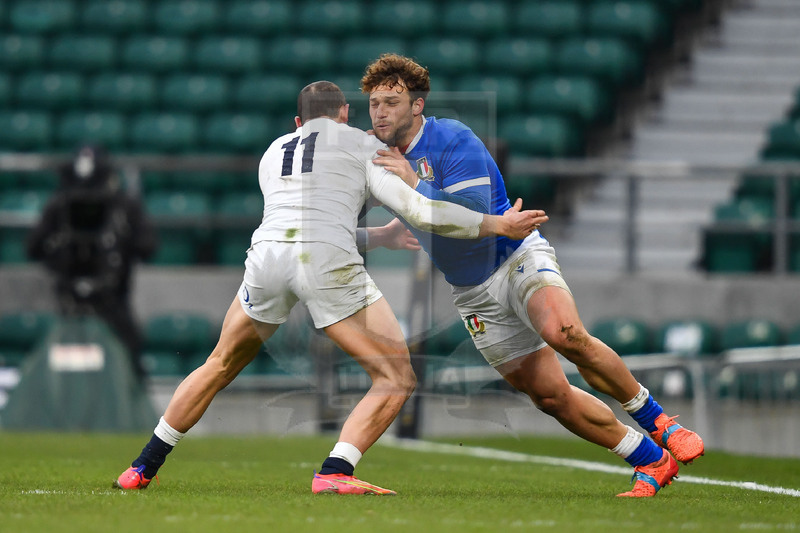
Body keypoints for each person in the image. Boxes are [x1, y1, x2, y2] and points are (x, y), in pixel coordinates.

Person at [112, 81, 548, 495]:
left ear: (297, 122)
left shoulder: (274, 151)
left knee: (220, 362)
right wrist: (498, 224)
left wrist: (376, 236)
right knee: (396, 376)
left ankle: (142, 466)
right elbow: (426, 211)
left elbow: (302, 221)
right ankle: (336, 471)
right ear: (344, 114)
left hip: (267, 257)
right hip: (326, 263)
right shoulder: (363, 146)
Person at [360, 54, 705, 498]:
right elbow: (410, 214)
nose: (381, 112)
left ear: (417, 106)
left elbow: (478, 217)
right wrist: (383, 233)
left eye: (391, 101)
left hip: (513, 256)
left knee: (566, 334)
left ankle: (658, 420)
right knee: (549, 397)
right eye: (374, 104)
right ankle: (650, 460)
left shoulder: (452, 139)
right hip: (471, 292)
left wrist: (413, 183)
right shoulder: (376, 155)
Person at [27, 144, 157, 381]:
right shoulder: (60, 208)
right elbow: (33, 248)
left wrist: (120, 239)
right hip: (69, 303)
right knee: (62, 366)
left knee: (129, 358)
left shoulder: (124, 208)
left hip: (113, 301)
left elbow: (148, 248)